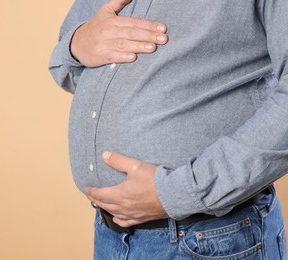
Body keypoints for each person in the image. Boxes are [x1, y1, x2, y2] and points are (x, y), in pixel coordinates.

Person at [49, 0, 288, 259]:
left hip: (210, 239)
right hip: (111, 236)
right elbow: (68, 68)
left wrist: (181, 192)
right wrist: (76, 43)